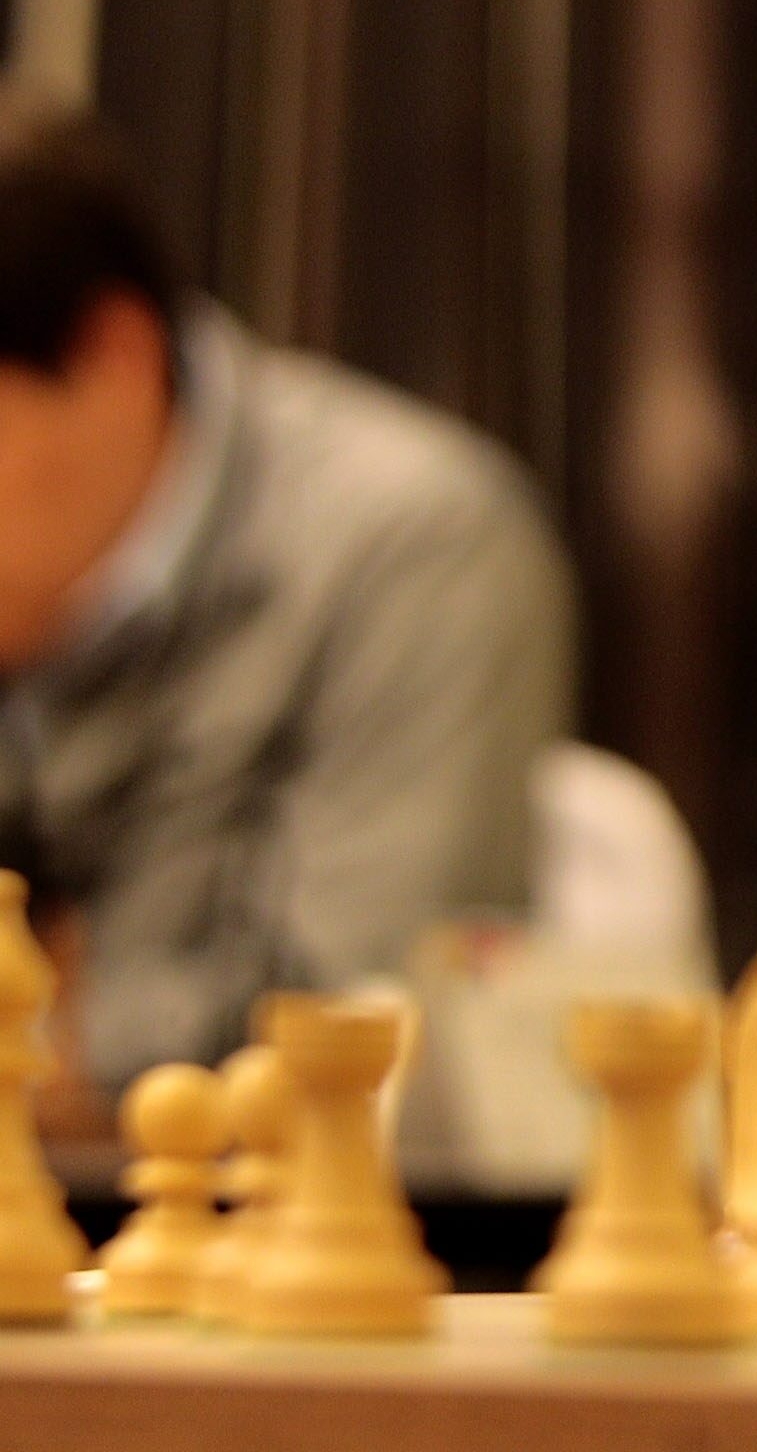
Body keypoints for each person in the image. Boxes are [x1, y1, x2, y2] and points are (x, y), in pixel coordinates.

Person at [0, 93, 572, 1111]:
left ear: (113, 359)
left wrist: (52, 1038)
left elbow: (366, 1021)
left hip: (246, 1198)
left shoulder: (412, 546)